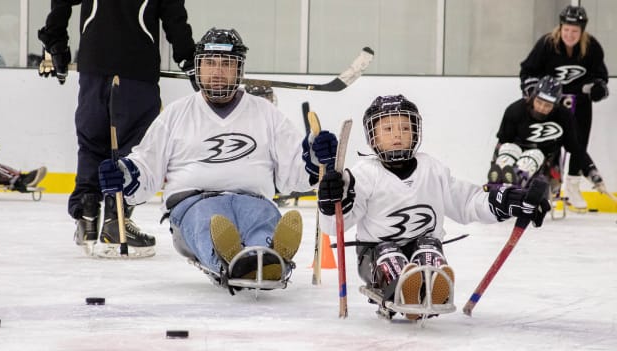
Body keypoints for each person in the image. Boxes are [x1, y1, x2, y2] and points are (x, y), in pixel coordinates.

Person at [97, 28, 337, 290]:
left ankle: (267, 256)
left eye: (227, 64)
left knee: (261, 220)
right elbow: (146, 166)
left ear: (239, 70)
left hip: (253, 200)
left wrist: (315, 158)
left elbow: (295, 174)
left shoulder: (267, 114)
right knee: (207, 222)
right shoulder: (176, 114)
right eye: (209, 63)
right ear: (198, 68)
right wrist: (126, 175)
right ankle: (234, 262)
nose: (218, 71)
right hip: (194, 203)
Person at [316, 95, 550, 320]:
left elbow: (467, 202)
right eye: (388, 129)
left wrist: (509, 201)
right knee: (389, 251)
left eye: (405, 128)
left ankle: (429, 282)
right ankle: (403, 286)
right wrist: (330, 202)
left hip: (421, 248)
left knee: (429, 245)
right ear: (373, 136)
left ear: (416, 131)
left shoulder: (432, 169)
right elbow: (334, 225)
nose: (398, 134)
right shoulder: (362, 174)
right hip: (375, 256)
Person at [37, 0, 199, 257]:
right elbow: (173, 16)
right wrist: (189, 58)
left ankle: (87, 215)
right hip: (136, 67)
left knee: (92, 140)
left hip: (94, 63)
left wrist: (56, 44)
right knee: (133, 146)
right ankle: (116, 221)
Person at [520, 5, 609, 210]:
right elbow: (527, 70)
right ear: (560, 28)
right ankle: (550, 184)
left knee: (578, 144)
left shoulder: (592, 47)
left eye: (575, 31)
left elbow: (601, 78)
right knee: (551, 141)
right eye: (566, 30)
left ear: (582, 31)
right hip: (552, 105)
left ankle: (573, 186)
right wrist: (533, 91)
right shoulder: (547, 44)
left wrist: (598, 88)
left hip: (580, 104)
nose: (570, 34)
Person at [487, 75, 609, 200]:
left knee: (533, 156)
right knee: (509, 149)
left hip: (545, 164)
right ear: (533, 97)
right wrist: (499, 164)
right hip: (516, 154)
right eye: (539, 102)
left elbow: (576, 149)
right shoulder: (515, 110)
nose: (541, 108)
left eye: (547, 105)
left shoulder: (564, 117)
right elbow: (503, 142)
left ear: (555, 105)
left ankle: (516, 186)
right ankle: (500, 183)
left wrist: (592, 173)